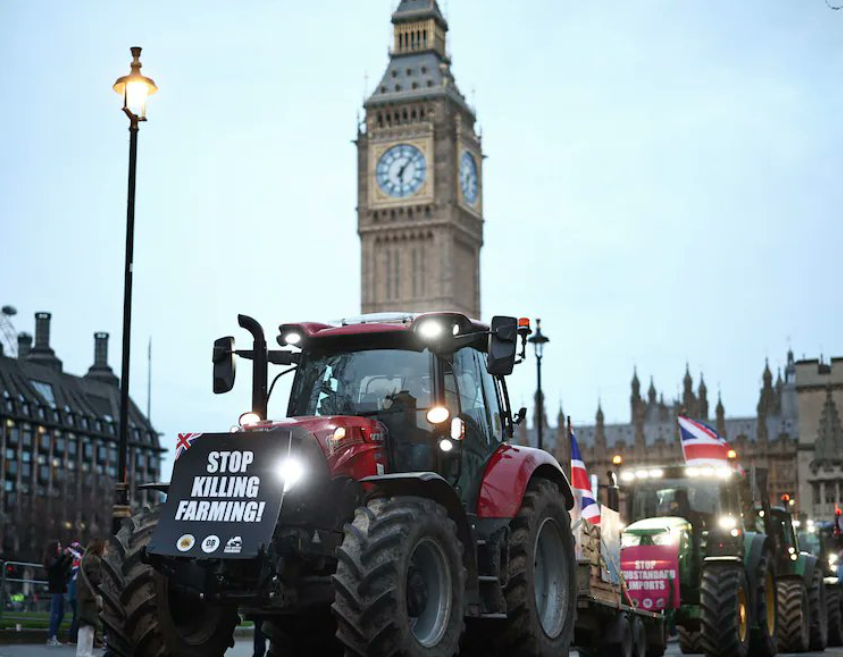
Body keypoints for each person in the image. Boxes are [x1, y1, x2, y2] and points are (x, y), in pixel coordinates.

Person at [76, 538, 106, 657]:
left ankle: (83, 652)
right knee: (88, 627)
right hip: (90, 597)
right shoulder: (94, 560)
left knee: (85, 626)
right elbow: (96, 579)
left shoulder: (85, 558)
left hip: (84, 595)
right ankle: (85, 653)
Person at [43, 539, 73, 647]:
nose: (60, 548)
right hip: (55, 588)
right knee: (55, 613)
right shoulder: (50, 559)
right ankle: (51, 637)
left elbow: (62, 569)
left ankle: (53, 635)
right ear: (54, 548)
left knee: (60, 613)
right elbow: (56, 567)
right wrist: (64, 556)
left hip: (60, 588)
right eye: (59, 547)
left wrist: (70, 557)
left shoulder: (55, 559)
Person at [67, 541, 84, 644]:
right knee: (78, 616)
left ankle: (72, 638)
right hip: (76, 592)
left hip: (72, 592)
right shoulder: (80, 563)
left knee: (75, 616)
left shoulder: (72, 563)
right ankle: (74, 638)